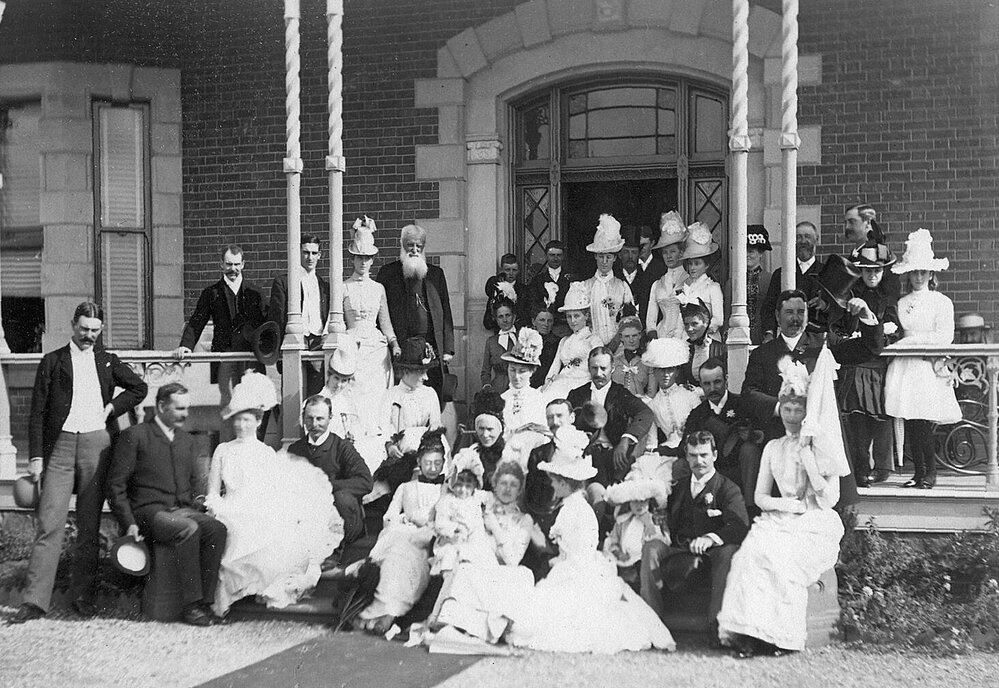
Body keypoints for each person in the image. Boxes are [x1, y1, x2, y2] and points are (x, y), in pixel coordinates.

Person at [11, 301, 148, 625]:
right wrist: (35, 457)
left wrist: (112, 407)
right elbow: (37, 414)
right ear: (73, 325)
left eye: (95, 330)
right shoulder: (53, 361)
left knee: (88, 525)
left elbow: (138, 388)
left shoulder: (107, 361)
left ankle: (81, 597)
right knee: (49, 522)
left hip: (96, 446)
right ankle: (34, 601)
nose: (89, 336)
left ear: (101, 330)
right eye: (84, 329)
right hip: (59, 447)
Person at [717, 355, 847, 657]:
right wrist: (785, 504)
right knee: (748, 557)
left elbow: (830, 499)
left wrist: (810, 462)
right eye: (786, 408)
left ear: (806, 412)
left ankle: (780, 638)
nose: (790, 415)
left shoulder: (821, 448)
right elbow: (759, 497)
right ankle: (749, 634)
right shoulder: (774, 448)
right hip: (779, 517)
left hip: (814, 522)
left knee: (780, 560)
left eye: (797, 409)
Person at [506, 427, 676, 654]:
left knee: (560, 616)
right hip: (576, 563)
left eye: (555, 482)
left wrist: (562, 561)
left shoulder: (574, 508)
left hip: (579, 567)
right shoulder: (572, 506)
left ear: (565, 483)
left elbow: (578, 549)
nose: (552, 486)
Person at [206, 373, 342, 616]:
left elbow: (273, 493)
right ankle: (233, 594)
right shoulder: (222, 450)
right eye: (237, 420)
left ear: (258, 421)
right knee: (233, 530)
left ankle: (257, 587)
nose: (241, 426)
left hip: (257, 510)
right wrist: (216, 506)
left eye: (247, 420)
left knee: (271, 531)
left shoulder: (265, 453)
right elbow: (213, 492)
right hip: (229, 509)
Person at [743, 286, 885, 506]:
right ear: (777, 316)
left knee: (825, 504)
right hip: (782, 435)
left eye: (801, 312)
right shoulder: (763, 354)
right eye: (789, 312)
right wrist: (781, 409)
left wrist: (866, 316)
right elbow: (749, 394)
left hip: (821, 436)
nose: (795, 318)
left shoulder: (824, 343)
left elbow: (869, 349)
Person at [105, 383, 227, 626]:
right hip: (148, 512)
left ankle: (205, 603)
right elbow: (115, 486)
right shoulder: (136, 435)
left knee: (216, 528)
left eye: (187, 408)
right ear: (161, 406)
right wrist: (128, 523)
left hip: (180, 509)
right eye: (179, 408)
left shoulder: (186, 441)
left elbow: (193, 486)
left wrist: (199, 503)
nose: (185, 414)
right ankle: (191, 607)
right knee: (187, 529)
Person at [640, 431, 749, 639]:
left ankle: (716, 627)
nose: (699, 461)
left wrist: (710, 538)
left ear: (714, 455)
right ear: (686, 457)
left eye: (704, 455)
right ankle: (652, 625)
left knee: (729, 552)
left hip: (712, 552)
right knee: (651, 548)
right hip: (679, 546)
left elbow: (739, 526)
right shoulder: (679, 487)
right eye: (693, 455)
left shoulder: (728, 488)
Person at [884, 229, 962, 489]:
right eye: (914, 272)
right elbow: (895, 333)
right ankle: (918, 472)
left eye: (923, 272)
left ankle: (931, 472)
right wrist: (901, 342)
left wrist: (910, 343)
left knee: (924, 422)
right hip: (905, 366)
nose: (918, 277)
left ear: (931, 274)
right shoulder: (902, 302)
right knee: (912, 421)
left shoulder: (941, 302)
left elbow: (944, 337)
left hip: (927, 366)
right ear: (908, 274)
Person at [431, 461, 536, 644]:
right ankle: (460, 626)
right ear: (494, 485)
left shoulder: (524, 520)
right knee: (466, 569)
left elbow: (513, 560)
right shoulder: (481, 503)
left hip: (503, 570)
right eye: (503, 483)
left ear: (520, 490)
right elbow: (455, 488)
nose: (507, 489)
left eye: (513, 485)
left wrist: (494, 526)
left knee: (523, 575)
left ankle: (484, 631)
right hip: (477, 564)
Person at [355, 429, 448, 634]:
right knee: (397, 555)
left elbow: (446, 517)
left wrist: (426, 524)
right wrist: (401, 519)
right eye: (427, 463)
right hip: (403, 533)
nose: (432, 468)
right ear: (419, 463)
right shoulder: (406, 487)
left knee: (410, 560)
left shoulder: (445, 489)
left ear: (443, 463)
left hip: (428, 538)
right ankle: (383, 612)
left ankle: (387, 614)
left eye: (437, 463)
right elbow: (388, 517)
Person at [174, 245, 267, 440]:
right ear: (221, 265)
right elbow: (197, 320)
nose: (233, 269)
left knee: (252, 401)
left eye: (236, 264)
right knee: (228, 402)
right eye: (228, 264)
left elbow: (267, 324)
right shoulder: (212, 293)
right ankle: (228, 446)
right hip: (224, 358)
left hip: (250, 358)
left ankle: (253, 445)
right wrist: (186, 345)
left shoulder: (255, 292)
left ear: (243, 264)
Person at [840, 238, 901, 486]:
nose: (872, 275)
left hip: (879, 365)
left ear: (883, 270)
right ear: (861, 271)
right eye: (867, 271)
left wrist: (879, 330)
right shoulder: (853, 296)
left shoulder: (889, 299)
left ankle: (883, 466)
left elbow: (894, 333)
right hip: (857, 363)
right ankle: (861, 466)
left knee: (881, 418)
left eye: (876, 270)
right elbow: (845, 329)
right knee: (857, 418)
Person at [377, 224, 455, 407]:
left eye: (418, 246)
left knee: (433, 395)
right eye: (410, 245)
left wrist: (448, 348)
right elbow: (379, 314)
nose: (414, 250)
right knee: (402, 398)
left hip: (431, 346)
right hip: (401, 347)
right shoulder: (388, 273)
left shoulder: (436, 274)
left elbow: (446, 311)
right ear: (402, 246)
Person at [289, 395, 375, 553]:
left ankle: (336, 551)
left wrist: (327, 486)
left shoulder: (342, 447)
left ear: (330, 418)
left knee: (343, 498)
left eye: (320, 419)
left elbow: (365, 482)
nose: (314, 425)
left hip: (341, 514)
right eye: (310, 419)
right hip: (308, 514)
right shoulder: (296, 449)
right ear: (303, 418)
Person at [684, 358, 765, 514]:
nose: (712, 388)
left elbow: (762, 434)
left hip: (742, 470)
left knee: (750, 449)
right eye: (707, 384)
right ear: (700, 385)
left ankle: (751, 510)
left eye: (717, 382)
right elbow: (685, 446)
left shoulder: (743, 404)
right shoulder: (697, 414)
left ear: (726, 381)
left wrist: (751, 434)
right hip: (713, 474)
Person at [567, 346, 655, 480]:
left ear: (612, 368)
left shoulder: (621, 393)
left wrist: (626, 439)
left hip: (612, 454)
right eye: (594, 368)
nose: (598, 373)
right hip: (583, 454)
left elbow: (645, 413)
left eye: (603, 368)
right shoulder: (576, 394)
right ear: (589, 368)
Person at [343, 216, 401, 414]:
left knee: (376, 398)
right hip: (352, 346)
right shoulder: (343, 287)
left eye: (367, 257)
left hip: (376, 349)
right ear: (352, 259)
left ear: (373, 260)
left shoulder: (378, 288)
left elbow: (385, 323)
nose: (363, 262)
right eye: (359, 257)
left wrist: (394, 344)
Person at [268, 233, 330, 397]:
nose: (310, 257)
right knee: (292, 395)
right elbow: (277, 317)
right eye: (306, 252)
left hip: (317, 342)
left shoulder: (324, 286)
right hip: (294, 341)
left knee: (317, 395)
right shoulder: (284, 282)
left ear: (320, 255)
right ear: (298, 253)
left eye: (314, 253)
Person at [317, 340, 388, 478]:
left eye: (344, 381)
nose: (339, 384)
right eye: (336, 378)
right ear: (328, 375)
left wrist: (354, 434)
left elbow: (356, 426)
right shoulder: (318, 401)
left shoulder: (347, 400)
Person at [522, 400, 576, 578]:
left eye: (560, 416)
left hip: (574, 519)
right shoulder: (538, 454)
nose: (554, 421)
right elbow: (531, 497)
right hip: (545, 519)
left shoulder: (584, 449)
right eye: (550, 417)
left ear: (572, 418)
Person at [430, 448, 494, 576]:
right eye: (459, 484)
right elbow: (440, 523)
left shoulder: (474, 502)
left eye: (468, 486)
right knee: (451, 556)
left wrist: (472, 537)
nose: (462, 490)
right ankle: (448, 582)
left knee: (478, 555)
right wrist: (454, 529)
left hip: (470, 540)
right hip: (450, 540)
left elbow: (477, 525)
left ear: (474, 487)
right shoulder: (447, 501)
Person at [603, 471, 669, 592]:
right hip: (623, 561)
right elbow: (613, 540)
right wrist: (618, 553)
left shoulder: (654, 520)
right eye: (635, 501)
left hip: (642, 563)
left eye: (643, 501)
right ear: (629, 503)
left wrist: (648, 524)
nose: (639, 505)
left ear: (649, 502)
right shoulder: (623, 521)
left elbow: (661, 541)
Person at [761, 221, 825, 341]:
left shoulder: (826, 273)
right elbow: (769, 309)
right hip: (786, 338)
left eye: (807, 236)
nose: (803, 241)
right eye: (798, 237)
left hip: (816, 339)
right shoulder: (780, 274)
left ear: (816, 239)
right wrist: (769, 333)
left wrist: (824, 305)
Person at [541, 281, 603, 402]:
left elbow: (598, 369)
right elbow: (554, 368)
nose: (572, 321)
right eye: (569, 316)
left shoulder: (593, 340)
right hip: (560, 384)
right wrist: (547, 383)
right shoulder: (564, 341)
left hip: (582, 387)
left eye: (576, 316)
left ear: (586, 316)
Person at [639, 338, 702, 457]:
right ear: (655, 372)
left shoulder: (689, 394)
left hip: (695, 448)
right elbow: (652, 442)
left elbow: (701, 424)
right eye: (661, 370)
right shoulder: (652, 405)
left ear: (677, 372)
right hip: (669, 451)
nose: (666, 374)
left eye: (670, 369)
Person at [584, 214, 635, 345]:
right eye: (601, 257)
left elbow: (630, 319)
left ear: (615, 258)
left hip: (618, 347)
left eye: (608, 257)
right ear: (595, 256)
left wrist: (615, 342)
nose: (605, 262)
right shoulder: (585, 286)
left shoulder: (622, 286)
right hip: (591, 346)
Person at [380, 336, 443, 434]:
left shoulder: (429, 393)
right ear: (406, 371)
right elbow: (384, 431)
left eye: (426, 372)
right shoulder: (390, 396)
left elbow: (435, 424)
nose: (426, 378)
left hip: (425, 445)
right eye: (421, 372)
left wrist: (435, 426)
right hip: (399, 446)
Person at [724, 225, 773, 345]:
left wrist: (770, 334)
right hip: (737, 334)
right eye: (744, 251)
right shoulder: (732, 282)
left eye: (751, 251)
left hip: (762, 336)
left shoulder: (769, 279)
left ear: (761, 253)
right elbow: (727, 311)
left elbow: (771, 311)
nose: (746, 255)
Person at [676, 222, 724, 342]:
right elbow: (680, 320)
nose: (692, 268)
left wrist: (700, 334)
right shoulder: (685, 287)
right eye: (690, 263)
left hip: (707, 339)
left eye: (697, 263)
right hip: (686, 339)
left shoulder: (713, 287)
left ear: (706, 265)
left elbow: (718, 319)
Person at [645, 211, 688, 339]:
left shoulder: (690, 281)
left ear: (681, 253)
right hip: (661, 337)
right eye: (665, 252)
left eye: (673, 251)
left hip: (684, 337)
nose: (668, 256)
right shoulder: (657, 284)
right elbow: (651, 319)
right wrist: (653, 337)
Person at [500, 328, 548, 433]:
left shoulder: (538, 399)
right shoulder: (502, 399)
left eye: (522, 371)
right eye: (512, 370)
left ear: (531, 372)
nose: (516, 376)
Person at [528, 240, 575, 337]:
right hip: (545, 329)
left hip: (565, 328)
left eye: (559, 255)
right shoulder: (538, 280)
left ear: (563, 256)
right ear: (546, 256)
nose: (555, 258)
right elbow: (533, 304)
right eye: (552, 255)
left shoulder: (572, 279)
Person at [677, 298, 726, 386]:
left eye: (694, 324)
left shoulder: (721, 349)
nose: (689, 329)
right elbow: (681, 380)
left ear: (706, 323)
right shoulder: (685, 350)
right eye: (686, 324)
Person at [610, 313, 657, 397]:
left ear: (640, 335)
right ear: (621, 337)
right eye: (627, 336)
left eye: (634, 335)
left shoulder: (648, 361)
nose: (631, 340)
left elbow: (651, 393)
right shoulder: (613, 361)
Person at [480, 297, 518, 393]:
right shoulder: (491, 342)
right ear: (496, 319)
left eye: (508, 315)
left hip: (518, 387)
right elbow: (485, 371)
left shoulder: (523, 338)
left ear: (514, 317)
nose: (505, 320)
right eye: (500, 317)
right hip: (497, 390)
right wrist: (487, 385)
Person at [631, 225, 668, 324]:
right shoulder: (629, 267)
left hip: (656, 323)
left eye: (645, 244)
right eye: (639, 245)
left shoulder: (662, 268)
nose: (641, 248)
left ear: (652, 243)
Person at [483, 253, 529, 332]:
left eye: (514, 270)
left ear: (518, 271)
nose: (511, 273)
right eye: (507, 270)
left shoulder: (524, 290)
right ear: (501, 270)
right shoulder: (495, 287)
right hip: (498, 331)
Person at [529, 307, 560, 388]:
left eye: (549, 321)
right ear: (533, 322)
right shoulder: (526, 340)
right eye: (542, 320)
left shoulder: (557, 343)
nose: (546, 324)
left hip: (547, 384)